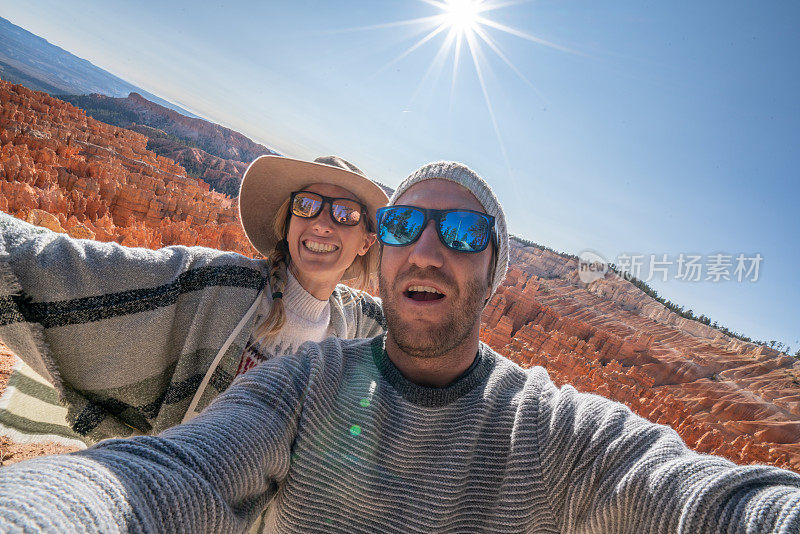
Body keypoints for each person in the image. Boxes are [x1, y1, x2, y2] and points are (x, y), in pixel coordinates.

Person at [1, 161, 799, 533]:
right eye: (403, 225)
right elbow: (174, 470)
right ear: (382, 257)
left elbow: (693, 494)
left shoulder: (549, 429)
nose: (428, 249)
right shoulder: (302, 381)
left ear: (493, 269)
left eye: (462, 232)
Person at [0, 155, 388, 445]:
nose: (322, 221)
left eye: (345, 213)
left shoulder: (352, 325)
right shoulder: (219, 282)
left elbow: (418, 331)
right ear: (289, 223)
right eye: (307, 205)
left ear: (366, 241)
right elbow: (87, 271)